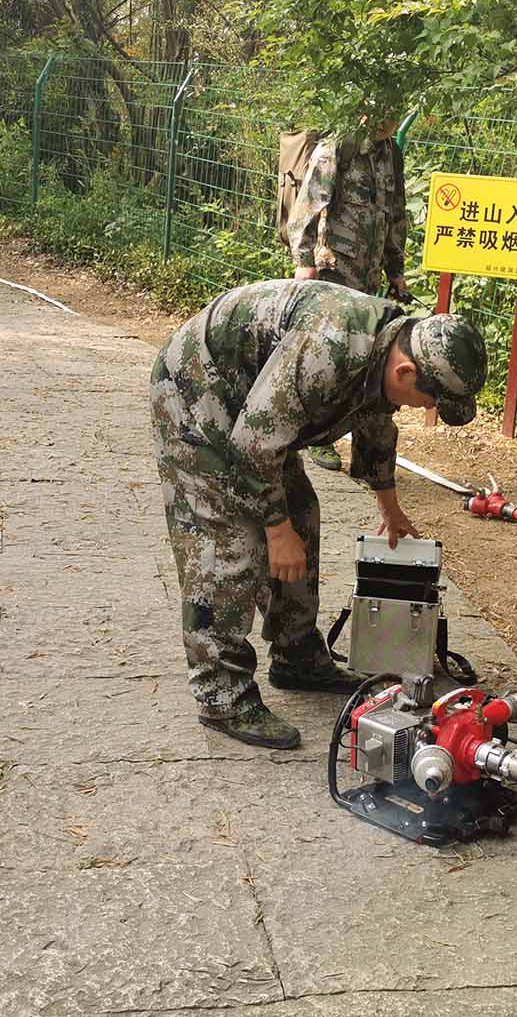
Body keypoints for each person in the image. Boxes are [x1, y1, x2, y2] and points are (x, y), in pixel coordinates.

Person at [151, 279, 487, 749]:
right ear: (407, 371)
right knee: (228, 543)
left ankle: (297, 655)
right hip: (197, 394)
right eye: (431, 400)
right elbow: (252, 447)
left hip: (258, 410)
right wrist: (275, 531)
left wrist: (388, 504)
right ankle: (221, 694)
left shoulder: (390, 341)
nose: (427, 409)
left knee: (301, 517)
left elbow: (374, 415)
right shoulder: (328, 348)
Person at [283, 116, 416, 471]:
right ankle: (317, 437)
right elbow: (307, 208)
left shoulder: (391, 154)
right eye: (385, 113)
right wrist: (304, 262)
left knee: (366, 360)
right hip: (333, 270)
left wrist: (396, 271)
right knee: (327, 355)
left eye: (396, 114)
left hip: (369, 279)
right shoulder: (338, 147)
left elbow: (395, 216)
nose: (391, 121)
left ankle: (365, 452)